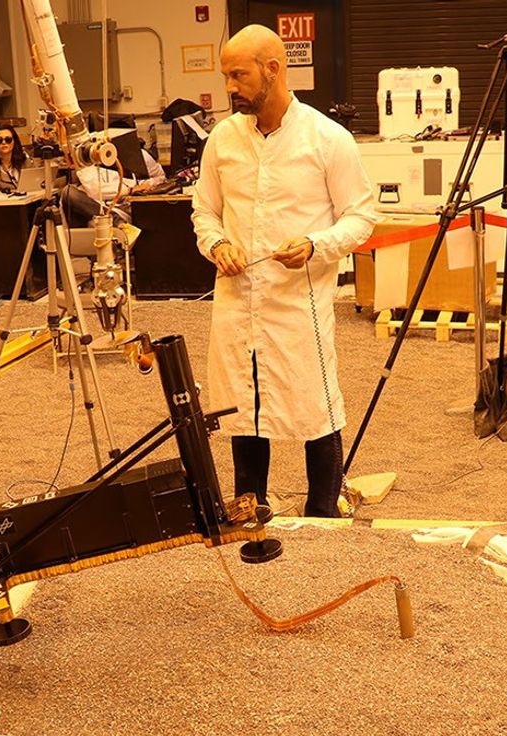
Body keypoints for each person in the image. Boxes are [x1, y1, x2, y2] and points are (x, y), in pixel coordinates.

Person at [190, 25, 376, 518]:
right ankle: (251, 508)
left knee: (316, 405)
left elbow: (361, 216)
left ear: (272, 69)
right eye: (226, 76)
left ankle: (322, 512)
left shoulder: (327, 139)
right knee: (242, 402)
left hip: (299, 302)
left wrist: (316, 245)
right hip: (237, 299)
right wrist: (217, 243)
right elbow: (204, 210)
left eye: (239, 75)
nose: (230, 87)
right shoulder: (222, 140)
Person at [67, 146, 166, 225]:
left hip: (130, 207)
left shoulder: (140, 155)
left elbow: (160, 177)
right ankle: (116, 220)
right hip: (104, 208)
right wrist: (130, 190)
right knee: (68, 192)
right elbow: (95, 191)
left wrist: (148, 184)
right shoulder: (88, 159)